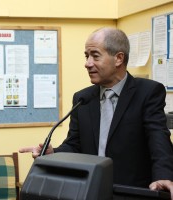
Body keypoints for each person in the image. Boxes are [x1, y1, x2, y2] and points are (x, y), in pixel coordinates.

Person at [20, 27, 173, 197]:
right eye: (86, 56)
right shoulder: (82, 98)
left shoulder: (147, 92)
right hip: (89, 191)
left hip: (130, 193)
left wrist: (164, 176)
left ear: (118, 58)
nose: (87, 63)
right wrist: (53, 152)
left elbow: (158, 138)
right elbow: (74, 145)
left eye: (95, 55)